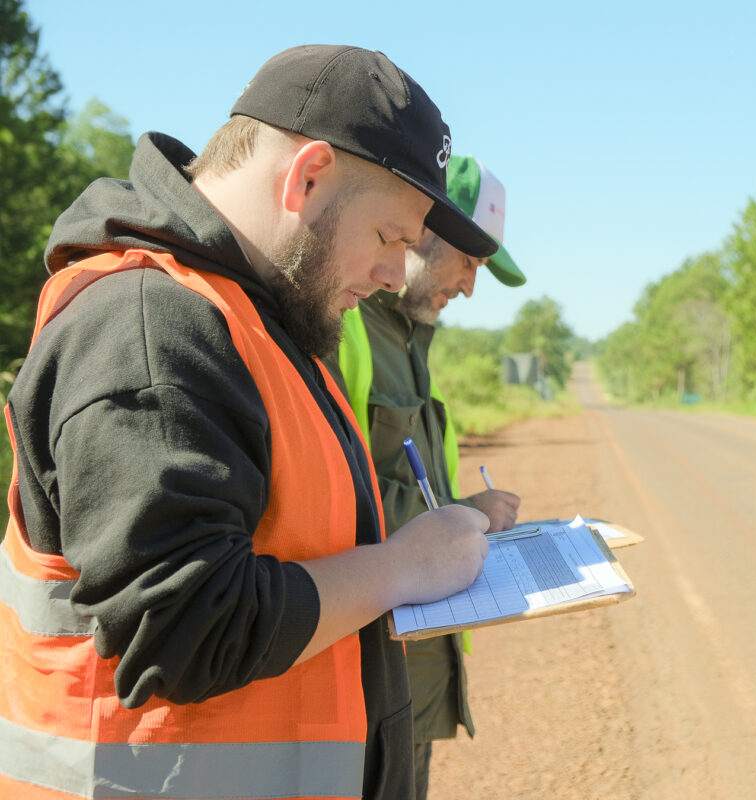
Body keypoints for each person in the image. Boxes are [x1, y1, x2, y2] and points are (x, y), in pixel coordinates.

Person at [0, 45, 495, 800]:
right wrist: (406, 566)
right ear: (308, 177)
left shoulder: (262, 322)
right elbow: (187, 626)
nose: (397, 274)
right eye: (393, 237)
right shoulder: (152, 327)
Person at [330, 154, 525, 799]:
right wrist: (456, 515)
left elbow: (412, 489)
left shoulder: (416, 347)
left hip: (413, 667)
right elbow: (327, 500)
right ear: (421, 232)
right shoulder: (344, 332)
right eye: (468, 263)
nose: (472, 286)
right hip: (358, 673)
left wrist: (466, 510)